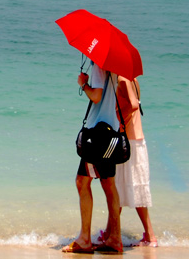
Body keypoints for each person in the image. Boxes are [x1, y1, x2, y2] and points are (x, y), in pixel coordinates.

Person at [63, 61, 124, 254]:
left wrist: (83, 84)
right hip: (111, 132)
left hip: (97, 135)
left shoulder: (99, 66)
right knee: (109, 185)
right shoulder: (115, 68)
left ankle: (85, 239)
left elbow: (96, 96)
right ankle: (115, 238)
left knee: (82, 182)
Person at [113, 76, 157, 247]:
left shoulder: (123, 79)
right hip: (136, 140)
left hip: (129, 140)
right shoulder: (133, 79)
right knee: (133, 190)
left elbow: (133, 105)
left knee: (117, 189)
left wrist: (118, 116)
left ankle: (112, 233)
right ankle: (149, 235)